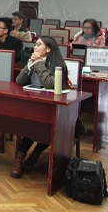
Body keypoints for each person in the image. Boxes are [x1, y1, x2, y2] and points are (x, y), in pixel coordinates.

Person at [12, 36, 69, 178]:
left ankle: (36, 152)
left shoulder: (59, 65)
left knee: (47, 126)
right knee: (32, 123)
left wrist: (37, 64)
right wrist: (29, 65)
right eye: (35, 44)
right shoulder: (35, 61)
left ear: (48, 49)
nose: (35, 47)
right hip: (35, 104)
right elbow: (19, 81)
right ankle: (20, 156)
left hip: (55, 108)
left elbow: (49, 84)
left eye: (38, 45)